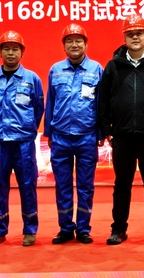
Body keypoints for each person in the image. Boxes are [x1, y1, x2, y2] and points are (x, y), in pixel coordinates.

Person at [99, 13, 144, 245]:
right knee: (122, 184)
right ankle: (119, 229)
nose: (135, 37)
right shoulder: (113, 66)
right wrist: (106, 129)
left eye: (139, 33)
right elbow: (103, 100)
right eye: (131, 34)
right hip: (122, 135)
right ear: (124, 37)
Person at [0, 30, 44, 247]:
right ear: (0, 52)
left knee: (28, 185)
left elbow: (38, 109)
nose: (10, 53)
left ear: (22, 52)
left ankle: (30, 230)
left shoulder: (32, 79)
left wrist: (26, 128)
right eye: (6, 49)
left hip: (23, 143)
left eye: (15, 49)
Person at [44, 24, 104, 245]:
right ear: (64, 46)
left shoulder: (96, 69)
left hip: (87, 136)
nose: (74, 44)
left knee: (86, 186)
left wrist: (100, 133)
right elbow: (50, 102)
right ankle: (66, 228)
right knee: (63, 185)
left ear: (86, 44)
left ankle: (84, 228)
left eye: (78, 40)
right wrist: (49, 133)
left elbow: (101, 104)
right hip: (60, 137)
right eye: (69, 41)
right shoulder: (56, 70)